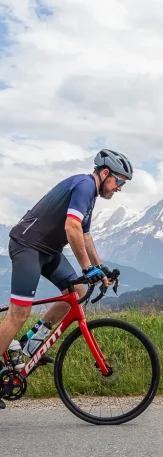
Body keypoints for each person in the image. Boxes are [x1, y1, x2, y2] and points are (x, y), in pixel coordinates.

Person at [0, 149, 133, 409]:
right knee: (19, 313)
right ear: (105, 173)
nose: (119, 189)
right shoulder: (84, 185)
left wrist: (100, 268)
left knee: (78, 291)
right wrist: (86, 267)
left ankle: (29, 346)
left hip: (49, 252)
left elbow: (84, 235)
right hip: (28, 246)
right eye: (119, 181)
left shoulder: (90, 195)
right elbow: (71, 227)